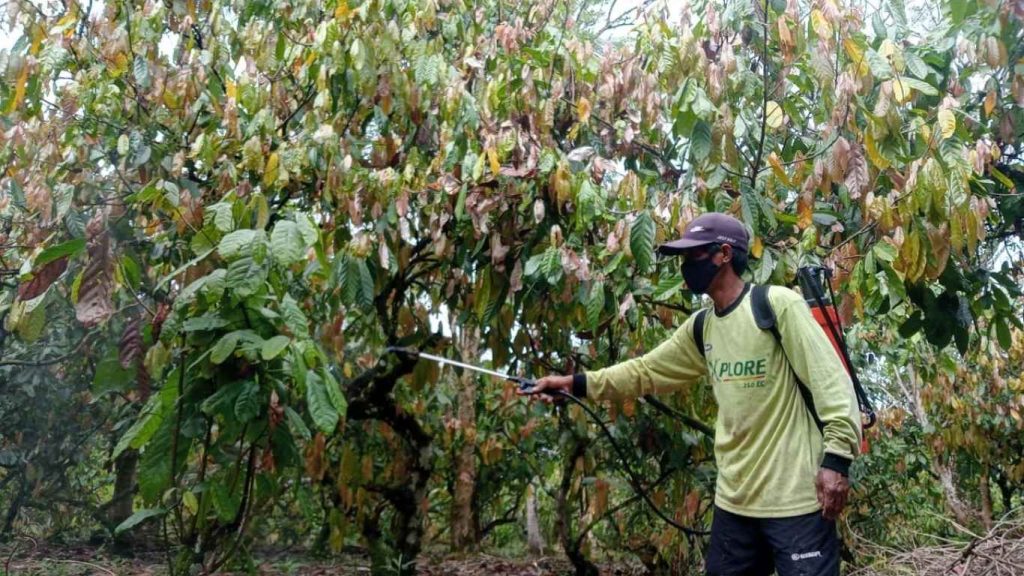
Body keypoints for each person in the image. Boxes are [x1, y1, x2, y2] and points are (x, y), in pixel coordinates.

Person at [523, 212, 861, 576]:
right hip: (735, 505)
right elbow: (645, 371)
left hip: (796, 503)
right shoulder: (703, 326)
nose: (686, 265)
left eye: (694, 255)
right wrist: (572, 384)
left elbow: (832, 382)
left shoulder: (776, 306)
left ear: (725, 254)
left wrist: (837, 460)